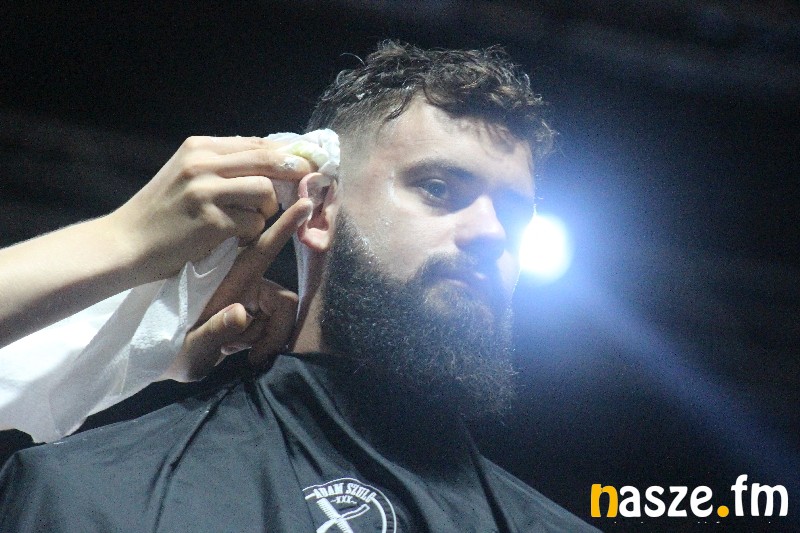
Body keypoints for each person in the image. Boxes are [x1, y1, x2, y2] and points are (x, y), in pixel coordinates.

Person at [0, 42, 598, 531]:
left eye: (514, 217)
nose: (492, 233)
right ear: (318, 210)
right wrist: (122, 242)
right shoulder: (89, 497)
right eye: (438, 188)